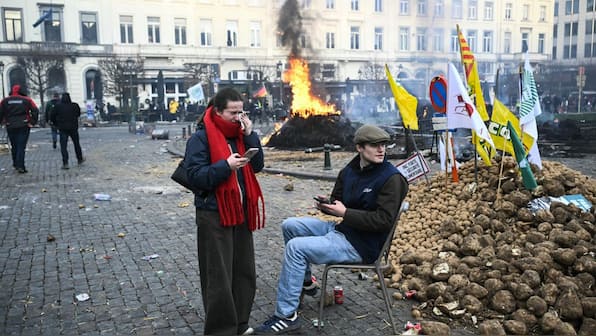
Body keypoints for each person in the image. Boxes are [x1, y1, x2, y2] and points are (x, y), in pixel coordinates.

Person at [253, 125, 409, 335]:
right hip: (343, 230)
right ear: (359, 148)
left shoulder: (391, 178)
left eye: (383, 145)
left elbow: (383, 221)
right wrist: (328, 204)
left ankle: (286, 317)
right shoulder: (351, 169)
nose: (382, 150)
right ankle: (306, 283)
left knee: (296, 248)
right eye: (375, 145)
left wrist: (345, 213)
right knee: (290, 225)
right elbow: (339, 199)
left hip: (362, 245)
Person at [185, 87, 266, 335]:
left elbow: (258, 166)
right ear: (218, 111)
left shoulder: (240, 134)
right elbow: (195, 176)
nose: (238, 117)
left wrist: (251, 135)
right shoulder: (200, 138)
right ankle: (221, 331)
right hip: (214, 213)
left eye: (241, 112)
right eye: (233, 112)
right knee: (219, 277)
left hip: (240, 212)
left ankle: (240, 324)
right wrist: (226, 166)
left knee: (244, 271)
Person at [0, 85, 39, 173]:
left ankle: (15, 163)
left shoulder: (5, 100)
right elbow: (35, 110)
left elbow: (0, 112)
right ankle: (21, 165)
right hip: (23, 124)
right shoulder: (27, 100)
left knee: (14, 145)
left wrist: (3, 121)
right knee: (21, 146)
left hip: (10, 125)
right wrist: (32, 122)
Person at [51, 93, 84, 169]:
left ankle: (65, 162)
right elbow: (78, 114)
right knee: (76, 144)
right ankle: (79, 159)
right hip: (73, 127)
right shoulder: (74, 105)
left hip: (62, 128)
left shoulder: (58, 106)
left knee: (63, 146)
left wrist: (56, 123)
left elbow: (52, 116)